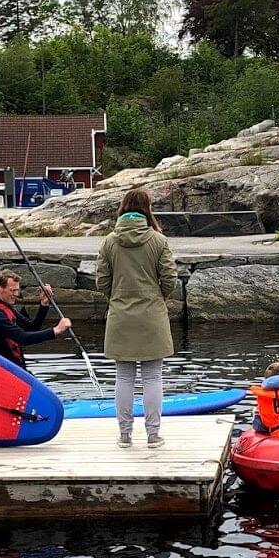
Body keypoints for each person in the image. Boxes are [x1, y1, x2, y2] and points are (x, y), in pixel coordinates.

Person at [97, 188, 178, 449]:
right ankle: (153, 435)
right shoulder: (158, 240)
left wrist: (117, 298)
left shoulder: (109, 241)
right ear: (148, 209)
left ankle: (124, 435)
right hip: (152, 314)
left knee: (123, 377)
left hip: (120, 314)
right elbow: (169, 279)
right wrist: (157, 297)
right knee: (153, 377)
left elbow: (102, 281)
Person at [0, 269, 71, 370]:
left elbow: (32, 327)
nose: (16, 294)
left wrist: (44, 304)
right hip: (2, 370)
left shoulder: (5, 307)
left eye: (17, 290)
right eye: (12, 290)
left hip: (15, 368)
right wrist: (56, 330)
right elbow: (22, 338)